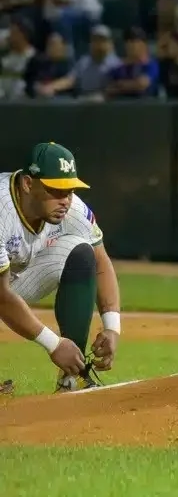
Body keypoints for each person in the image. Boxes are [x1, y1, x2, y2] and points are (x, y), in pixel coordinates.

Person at [1, 143, 121, 391]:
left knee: (80, 251)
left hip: (12, 279)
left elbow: (101, 261)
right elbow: (0, 296)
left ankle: (71, 377)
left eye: (69, 190)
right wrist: (53, 343)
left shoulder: (71, 208)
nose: (65, 200)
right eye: (55, 190)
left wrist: (112, 328)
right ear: (27, 184)